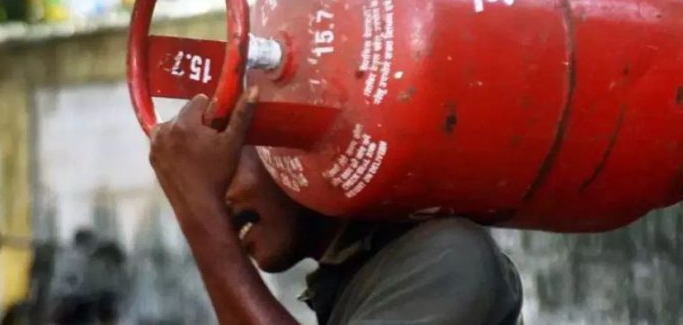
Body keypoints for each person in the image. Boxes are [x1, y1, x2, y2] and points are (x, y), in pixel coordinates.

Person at [148, 87, 523, 325]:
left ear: (288, 144)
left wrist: (201, 214)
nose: (217, 199)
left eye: (221, 170)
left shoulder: (446, 256)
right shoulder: (351, 280)